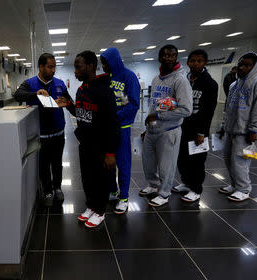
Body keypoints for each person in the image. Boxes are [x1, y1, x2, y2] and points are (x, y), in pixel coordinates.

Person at [57, 50, 119, 228]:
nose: (75, 71)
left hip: (101, 146)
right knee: (87, 178)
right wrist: (68, 105)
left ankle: (100, 211)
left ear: (91, 66)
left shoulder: (105, 91)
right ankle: (91, 206)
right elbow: (81, 114)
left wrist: (110, 153)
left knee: (101, 180)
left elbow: (112, 125)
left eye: (78, 67)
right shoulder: (82, 89)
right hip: (85, 144)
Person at [14, 53, 73, 207]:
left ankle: (58, 188)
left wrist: (67, 103)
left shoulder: (59, 84)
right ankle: (47, 191)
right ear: (41, 67)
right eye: (50, 67)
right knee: (44, 164)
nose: (53, 70)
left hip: (58, 132)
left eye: (54, 67)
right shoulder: (30, 84)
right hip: (40, 134)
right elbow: (17, 95)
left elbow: (70, 103)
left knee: (57, 162)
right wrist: (36, 94)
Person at [139, 45, 193, 207]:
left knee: (166, 166)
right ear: (160, 58)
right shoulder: (156, 79)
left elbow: (186, 109)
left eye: (173, 55)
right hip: (152, 129)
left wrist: (159, 116)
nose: (169, 58)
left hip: (169, 131)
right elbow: (154, 105)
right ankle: (153, 184)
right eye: (166, 55)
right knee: (148, 163)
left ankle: (164, 193)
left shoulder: (180, 80)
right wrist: (148, 125)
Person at [218, 52, 257, 201]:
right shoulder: (234, 84)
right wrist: (223, 125)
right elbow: (228, 107)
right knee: (229, 159)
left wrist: (255, 129)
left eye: (247, 65)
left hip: (246, 132)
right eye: (240, 64)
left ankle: (244, 189)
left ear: (255, 66)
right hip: (231, 129)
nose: (242, 67)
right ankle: (234, 184)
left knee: (240, 161)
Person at [172, 49, 218, 202]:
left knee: (196, 161)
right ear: (188, 62)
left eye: (199, 61)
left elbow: (209, 111)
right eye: (192, 61)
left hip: (198, 129)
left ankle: (196, 189)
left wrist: (201, 133)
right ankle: (186, 183)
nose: (195, 64)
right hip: (182, 126)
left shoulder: (210, 83)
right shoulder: (184, 80)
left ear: (205, 63)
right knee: (182, 158)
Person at [100, 47, 140, 214]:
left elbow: (133, 104)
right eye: (102, 63)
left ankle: (123, 197)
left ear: (113, 61)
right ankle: (113, 190)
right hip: (107, 128)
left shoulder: (129, 76)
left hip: (121, 128)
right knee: (108, 163)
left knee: (123, 164)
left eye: (105, 63)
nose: (103, 66)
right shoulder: (105, 78)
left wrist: (115, 117)